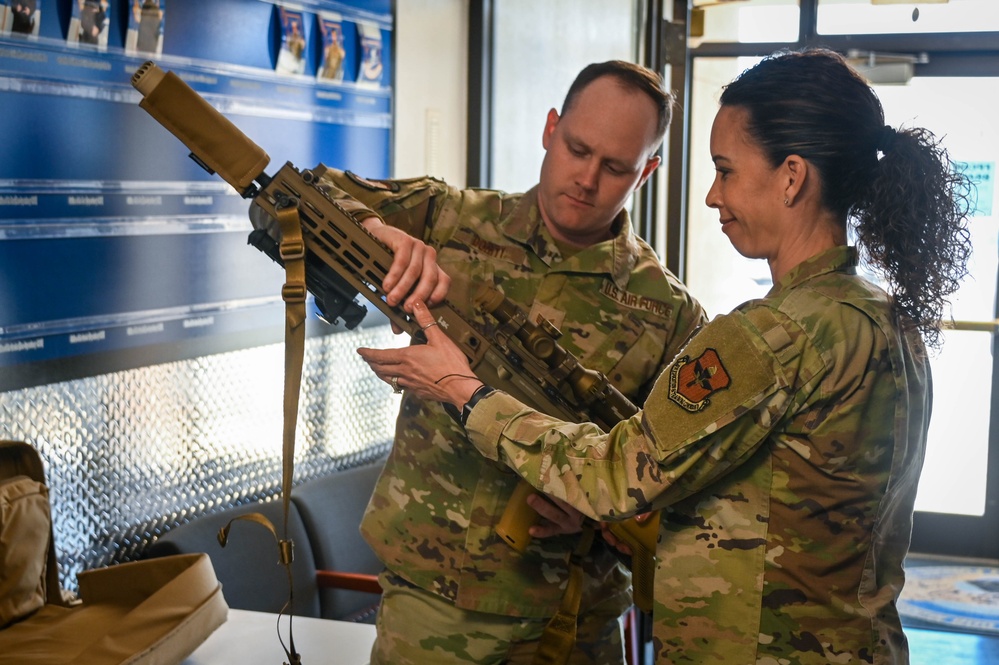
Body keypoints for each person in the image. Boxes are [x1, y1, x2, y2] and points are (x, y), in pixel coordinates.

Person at [358, 48, 973, 664]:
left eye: (726, 170)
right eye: (577, 149)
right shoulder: (884, 320)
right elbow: (758, 495)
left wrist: (464, 392)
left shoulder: (766, 336)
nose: (711, 196)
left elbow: (619, 475)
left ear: (790, 176)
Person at [325, 60, 705, 664]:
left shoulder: (670, 314)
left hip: (575, 615)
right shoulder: (447, 220)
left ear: (649, 171)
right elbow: (282, 202)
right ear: (551, 129)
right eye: (578, 149)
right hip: (434, 606)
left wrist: (599, 517)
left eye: (615, 167)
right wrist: (375, 226)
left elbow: (685, 484)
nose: (586, 178)